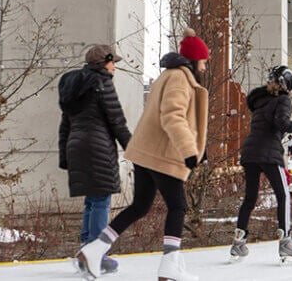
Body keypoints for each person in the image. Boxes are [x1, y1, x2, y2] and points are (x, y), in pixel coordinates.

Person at [76, 28, 210, 281]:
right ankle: (169, 266)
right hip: (162, 155)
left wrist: (199, 150)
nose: (203, 68)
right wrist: (189, 151)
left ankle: (94, 249)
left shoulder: (167, 76)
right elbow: (172, 116)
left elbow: (179, 118)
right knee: (178, 206)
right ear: (193, 61)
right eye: (203, 62)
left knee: (140, 206)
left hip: (146, 153)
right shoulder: (180, 79)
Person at [58, 44, 132, 276]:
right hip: (97, 146)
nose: (114, 68)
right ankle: (96, 255)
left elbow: (65, 125)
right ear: (103, 63)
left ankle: (85, 251)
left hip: (76, 146)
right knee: (101, 200)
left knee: (92, 200)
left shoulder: (73, 88)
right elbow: (117, 121)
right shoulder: (102, 83)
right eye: (113, 63)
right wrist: (133, 150)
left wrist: (64, 155)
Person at [230, 65, 292, 263]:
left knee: (250, 198)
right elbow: (282, 124)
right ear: (287, 83)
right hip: (269, 153)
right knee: (282, 195)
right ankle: (286, 242)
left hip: (250, 152)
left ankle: (238, 242)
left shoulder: (260, 101)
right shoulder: (283, 100)